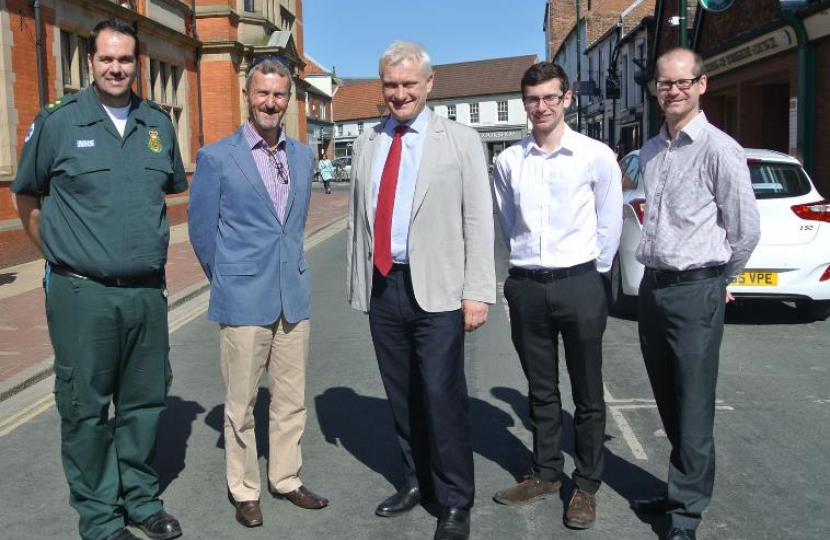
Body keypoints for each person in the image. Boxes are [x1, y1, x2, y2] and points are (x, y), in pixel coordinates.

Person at [11, 19, 185, 540]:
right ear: (91, 62)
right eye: (107, 58)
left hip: (146, 294)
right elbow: (27, 198)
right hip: (81, 293)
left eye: (126, 59)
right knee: (85, 409)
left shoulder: (157, 124)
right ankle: (100, 519)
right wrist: (60, 256)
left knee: (144, 402)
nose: (116, 68)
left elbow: (166, 195)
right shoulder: (59, 122)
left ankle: (140, 500)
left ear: (139, 64)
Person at [345, 41, 495, 540]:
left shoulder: (460, 140)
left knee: (440, 394)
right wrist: (358, 287)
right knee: (401, 393)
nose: (400, 93)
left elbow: (478, 218)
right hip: (385, 287)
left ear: (429, 84)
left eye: (410, 83)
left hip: (440, 290)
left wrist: (478, 291)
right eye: (391, 85)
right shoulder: (368, 142)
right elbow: (358, 222)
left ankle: (454, 500)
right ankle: (416, 482)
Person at [188, 56, 328, 529]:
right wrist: (231, 277)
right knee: (241, 403)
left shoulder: (304, 157)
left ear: (289, 99)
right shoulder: (216, 157)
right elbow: (203, 235)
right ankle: (244, 489)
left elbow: (293, 227)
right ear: (248, 95)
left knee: (291, 399)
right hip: (243, 298)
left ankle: (286, 478)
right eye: (262, 93)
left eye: (279, 94)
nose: (271, 102)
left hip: (294, 294)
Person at [631, 48, 760, 540]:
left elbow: (745, 229)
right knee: (668, 399)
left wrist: (718, 281)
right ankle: (677, 487)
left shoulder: (718, 149)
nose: (674, 90)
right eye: (665, 83)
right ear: (656, 89)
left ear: (702, 85)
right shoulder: (650, 150)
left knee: (694, 405)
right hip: (654, 287)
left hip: (694, 290)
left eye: (683, 82)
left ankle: (685, 514)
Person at [492, 62, 622, 530]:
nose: (541, 107)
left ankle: (585, 484)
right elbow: (509, 224)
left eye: (550, 97)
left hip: (580, 281)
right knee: (541, 389)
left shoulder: (595, 155)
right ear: (524, 102)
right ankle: (546, 472)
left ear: (567, 98)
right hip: (527, 285)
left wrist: (593, 276)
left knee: (587, 393)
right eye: (532, 99)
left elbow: (610, 222)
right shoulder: (509, 162)